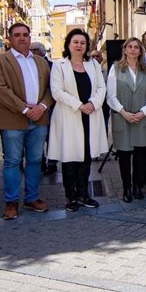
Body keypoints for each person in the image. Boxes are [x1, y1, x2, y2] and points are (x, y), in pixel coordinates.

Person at [0, 23, 53, 220]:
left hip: (39, 118)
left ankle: (32, 197)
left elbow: (51, 88)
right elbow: (0, 90)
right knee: (13, 161)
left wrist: (41, 107)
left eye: (25, 34)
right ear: (10, 39)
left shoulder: (40, 61)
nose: (22, 38)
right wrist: (25, 109)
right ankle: (11, 202)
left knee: (35, 160)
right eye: (17, 35)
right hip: (13, 118)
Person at [49, 29, 107, 211]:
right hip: (69, 116)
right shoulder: (59, 65)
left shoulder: (93, 66)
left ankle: (84, 194)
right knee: (69, 158)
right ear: (68, 44)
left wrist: (92, 103)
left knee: (86, 157)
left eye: (82, 43)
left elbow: (101, 87)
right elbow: (57, 91)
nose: (79, 46)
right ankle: (70, 196)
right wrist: (79, 105)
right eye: (75, 42)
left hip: (90, 115)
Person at [107, 37, 146, 202]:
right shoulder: (115, 68)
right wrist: (124, 112)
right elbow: (111, 96)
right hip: (122, 117)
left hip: (142, 117)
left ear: (140, 51)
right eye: (130, 46)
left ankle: (137, 186)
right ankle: (126, 188)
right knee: (125, 155)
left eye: (137, 47)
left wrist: (143, 112)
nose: (133, 49)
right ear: (125, 49)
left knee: (141, 155)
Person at [30, 42, 58, 175]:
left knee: (49, 136)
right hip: (35, 107)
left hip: (49, 107)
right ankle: (42, 162)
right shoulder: (30, 64)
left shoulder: (51, 66)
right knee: (39, 136)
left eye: (31, 50)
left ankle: (51, 163)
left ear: (37, 52)